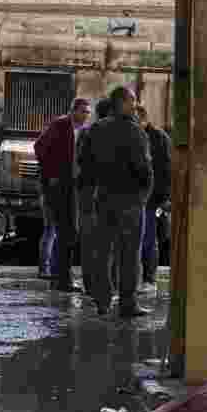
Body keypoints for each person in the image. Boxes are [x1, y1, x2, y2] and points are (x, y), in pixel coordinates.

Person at [78, 86, 152, 317]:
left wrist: (91, 194)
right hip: (130, 201)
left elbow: (84, 164)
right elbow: (144, 169)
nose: (135, 106)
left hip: (104, 198)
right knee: (129, 255)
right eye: (132, 101)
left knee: (102, 252)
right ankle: (127, 303)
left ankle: (102, 301)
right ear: (123, 103)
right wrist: (143, 195)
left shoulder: (96, 129)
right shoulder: (135, 131)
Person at [34, 98, 91, 292]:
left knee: (68, 232)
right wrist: (51, 175)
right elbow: (39, 147)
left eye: (87, 112)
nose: (86, 115)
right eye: (83, 111)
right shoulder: (60, 125)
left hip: (73, 188)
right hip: (58, 188)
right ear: (73, 111)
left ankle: (61, 277)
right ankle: (60, 278)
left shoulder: (83, 131)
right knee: (63, 230)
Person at [75, 97, 113, 295]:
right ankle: (104, 285)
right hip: (106, 194)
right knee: (107, 243)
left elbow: (80, 160)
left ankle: (90, 284)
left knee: (88, 241)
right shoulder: (117, 133)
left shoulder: (86, 132)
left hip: (87, 192)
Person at [137, 106, 172, 291]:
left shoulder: (158, 138)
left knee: (149, 240)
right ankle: (144, 279)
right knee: (143, 240)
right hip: (142, 198)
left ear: (143, 120)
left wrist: (164, 199)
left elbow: (166, 172)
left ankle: (149, 279)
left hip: (152, 199)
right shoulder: (145, 136)